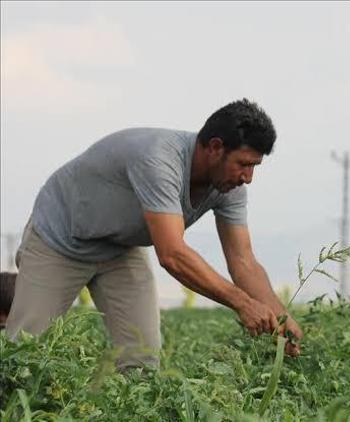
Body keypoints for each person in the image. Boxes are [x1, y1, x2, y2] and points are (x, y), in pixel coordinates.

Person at [5, 99, 303, 369]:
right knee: (27, 354)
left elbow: (243, 260)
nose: (248, 177)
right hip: (61, 241)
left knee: (142, 360)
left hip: (120, 248)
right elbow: (172, 254)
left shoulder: (229, 187)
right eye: (244, 164)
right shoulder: (159, 160)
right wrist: (242, 303)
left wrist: (280, 315)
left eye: (255, 167)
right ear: (214, 148)